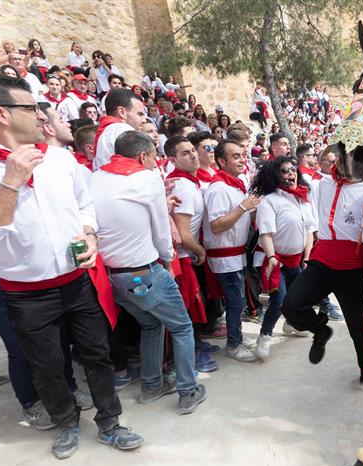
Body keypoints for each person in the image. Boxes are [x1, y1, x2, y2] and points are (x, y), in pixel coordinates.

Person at [0, 74, 143, 459]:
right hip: (25, 291)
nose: (41, 116)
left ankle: (110, 422)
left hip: (77, 279)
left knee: (97, 353)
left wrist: (90, 236)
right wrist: (11, 182)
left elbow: (84, 205)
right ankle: (66, 423)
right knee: (47, 364)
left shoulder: (58, 157)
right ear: (0, 113)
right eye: (31, 108)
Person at [90, 131, 206, 414]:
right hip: (145, 270)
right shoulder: (147, 179)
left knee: (152, 325)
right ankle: (187, 391)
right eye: (155, 157)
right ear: (143, 156)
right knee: (181, 326)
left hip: (114, 276)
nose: (157, 163)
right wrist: (168, 261)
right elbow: (161, 231)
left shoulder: (96, 177)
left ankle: (152, 386)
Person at [280, 142, 363, 386]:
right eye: (349, 156)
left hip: (351, 266)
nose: (353, 163)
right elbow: (292, 174)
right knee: (291, 307)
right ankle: (321, 330)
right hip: (322, 260)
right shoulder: (321, 183)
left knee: (356, 324)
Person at [250, 157, 316, 358]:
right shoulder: (270, 201)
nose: (291, 174)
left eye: (292, 170)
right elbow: (266, 234)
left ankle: (291, 324)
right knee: (278, 301)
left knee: (299, 299)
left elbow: (309, 232)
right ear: (274, 176)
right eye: (284, 171)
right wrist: (271, 257)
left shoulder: (303, 199)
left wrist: (306, 258)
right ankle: (264, 335)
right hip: (277, 261)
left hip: (297, 261)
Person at [165, 135, 220, 373]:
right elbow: (184, 234)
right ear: (172, 159)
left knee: (196, 304)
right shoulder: (182, 186)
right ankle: (191, 355)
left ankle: (196, 345)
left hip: (189, 254)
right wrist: (200, 251)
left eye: (192, 150)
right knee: (189, 306)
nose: (193, 155)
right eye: (185, 153)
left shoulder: (190, 182)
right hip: (184, 257)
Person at [203, 139, 259, 362]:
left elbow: (239, 218)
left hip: (236, 255)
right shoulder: (218, 188)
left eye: (242, 155)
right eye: (235, 156)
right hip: (226, 256)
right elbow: (216, 226)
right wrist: (244, 207)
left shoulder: (234, 185)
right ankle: (233, 344)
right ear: (221, 161)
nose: (241, 159)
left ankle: (236, 335)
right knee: (236, 301)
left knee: (237, 300)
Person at [93, 88, 146, 170]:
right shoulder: (124, 130)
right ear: (121, 112)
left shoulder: (107, 130)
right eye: (140, 114)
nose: (144, 120)